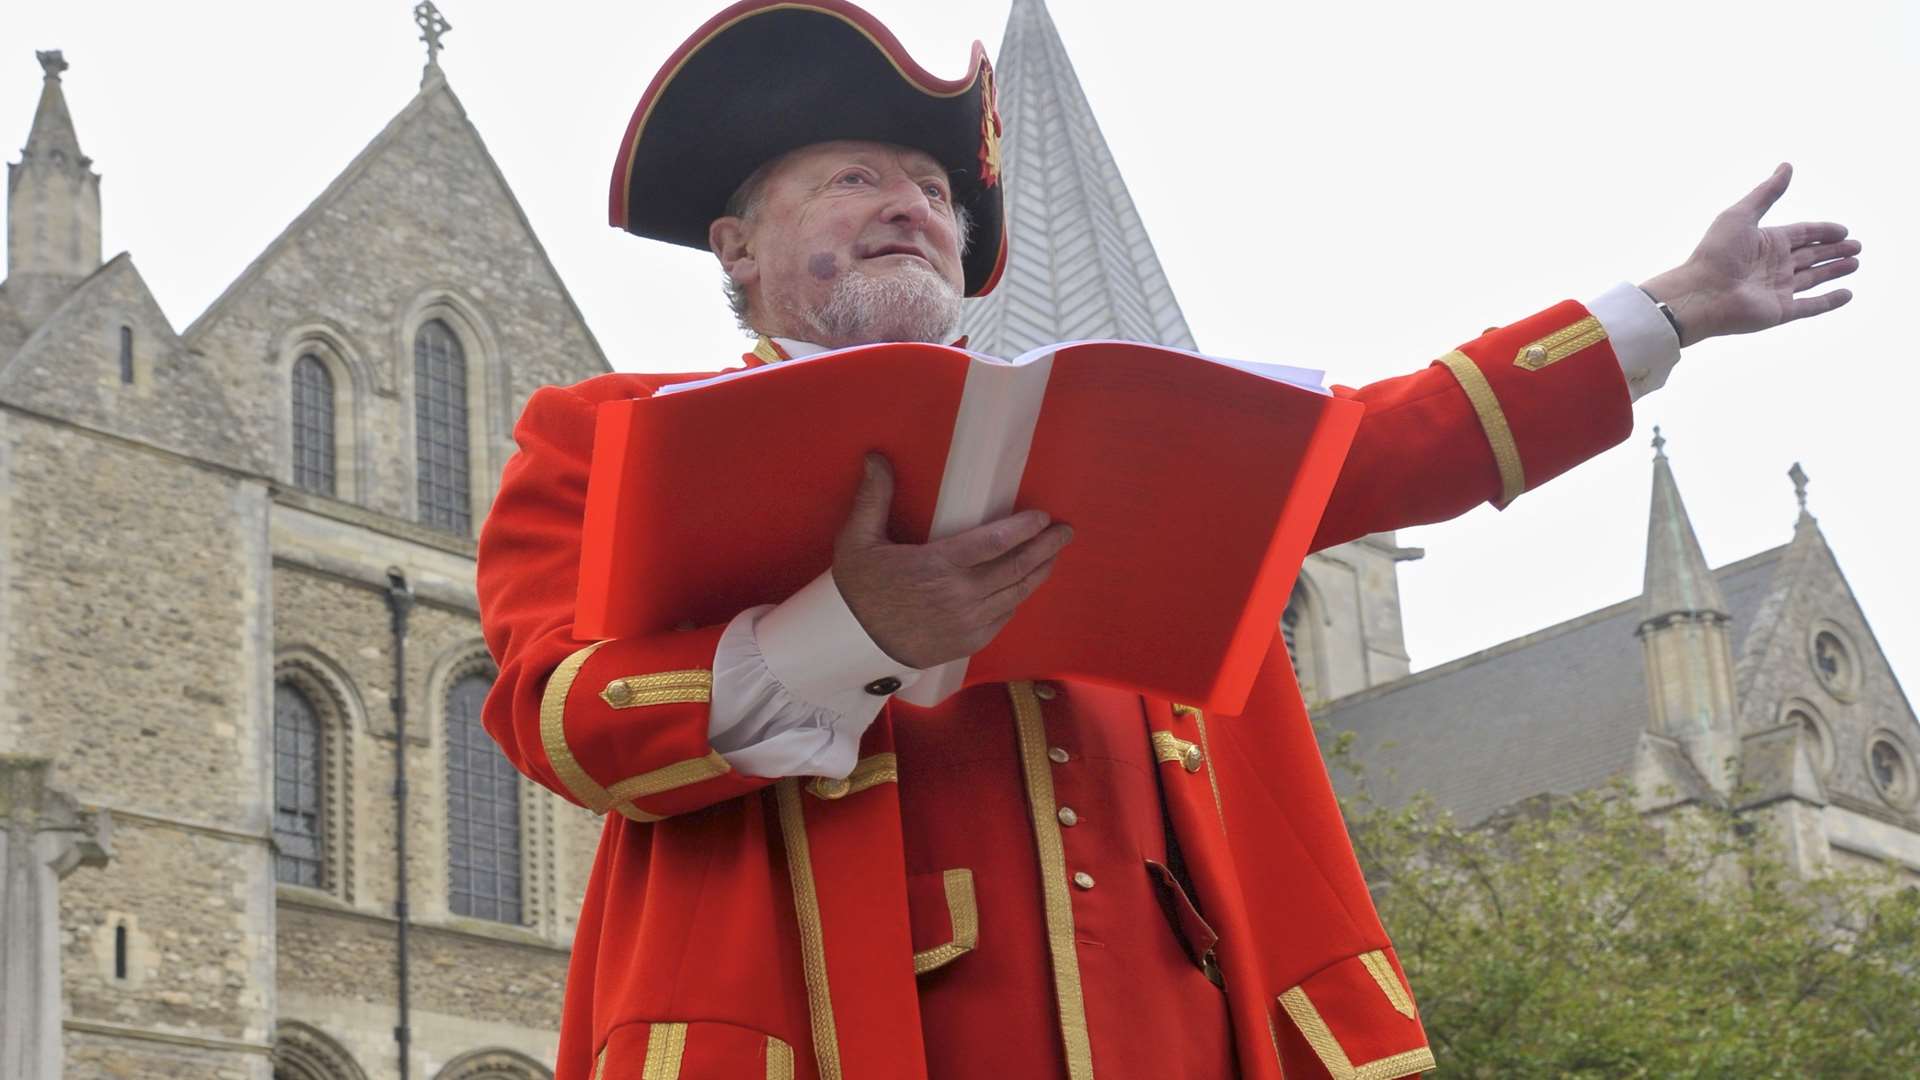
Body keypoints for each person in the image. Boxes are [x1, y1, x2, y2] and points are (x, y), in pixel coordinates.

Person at [475, 2, 1862, 1077]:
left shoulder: (1114, 429)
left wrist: (1665, 310)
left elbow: (1382, 443)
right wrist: (851, 634)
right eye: (853, 176)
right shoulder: (598, 435)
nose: (913, 202)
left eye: (936, 192)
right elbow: (561, 715)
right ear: (734, 245)